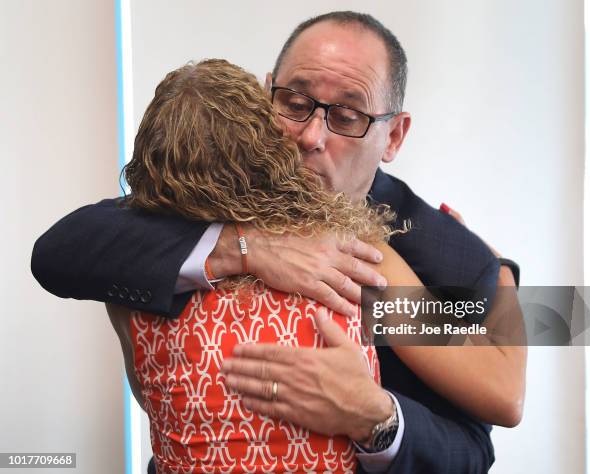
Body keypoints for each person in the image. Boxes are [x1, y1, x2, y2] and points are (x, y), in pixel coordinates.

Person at [31, 11, 526, 473]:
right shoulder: (211, 192)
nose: (310, 135)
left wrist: (378, 420)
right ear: (266, 96)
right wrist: (242, 247)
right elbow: (63, 249)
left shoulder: (430, 254)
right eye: (295, 102)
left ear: (394, 136)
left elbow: (495, 418)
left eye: (348, 115)